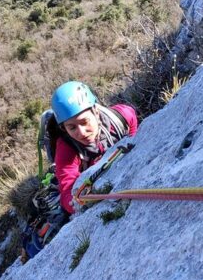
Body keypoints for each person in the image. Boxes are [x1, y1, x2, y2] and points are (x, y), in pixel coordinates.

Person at [50, 81, 138, 215]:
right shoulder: (66, 148)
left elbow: (131, 118)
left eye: (84, 122)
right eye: (72, 127)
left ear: (96, 112)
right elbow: (67, 190)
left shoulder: (119, 117)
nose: (82, 132)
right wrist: (82, 201)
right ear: (64, 128)